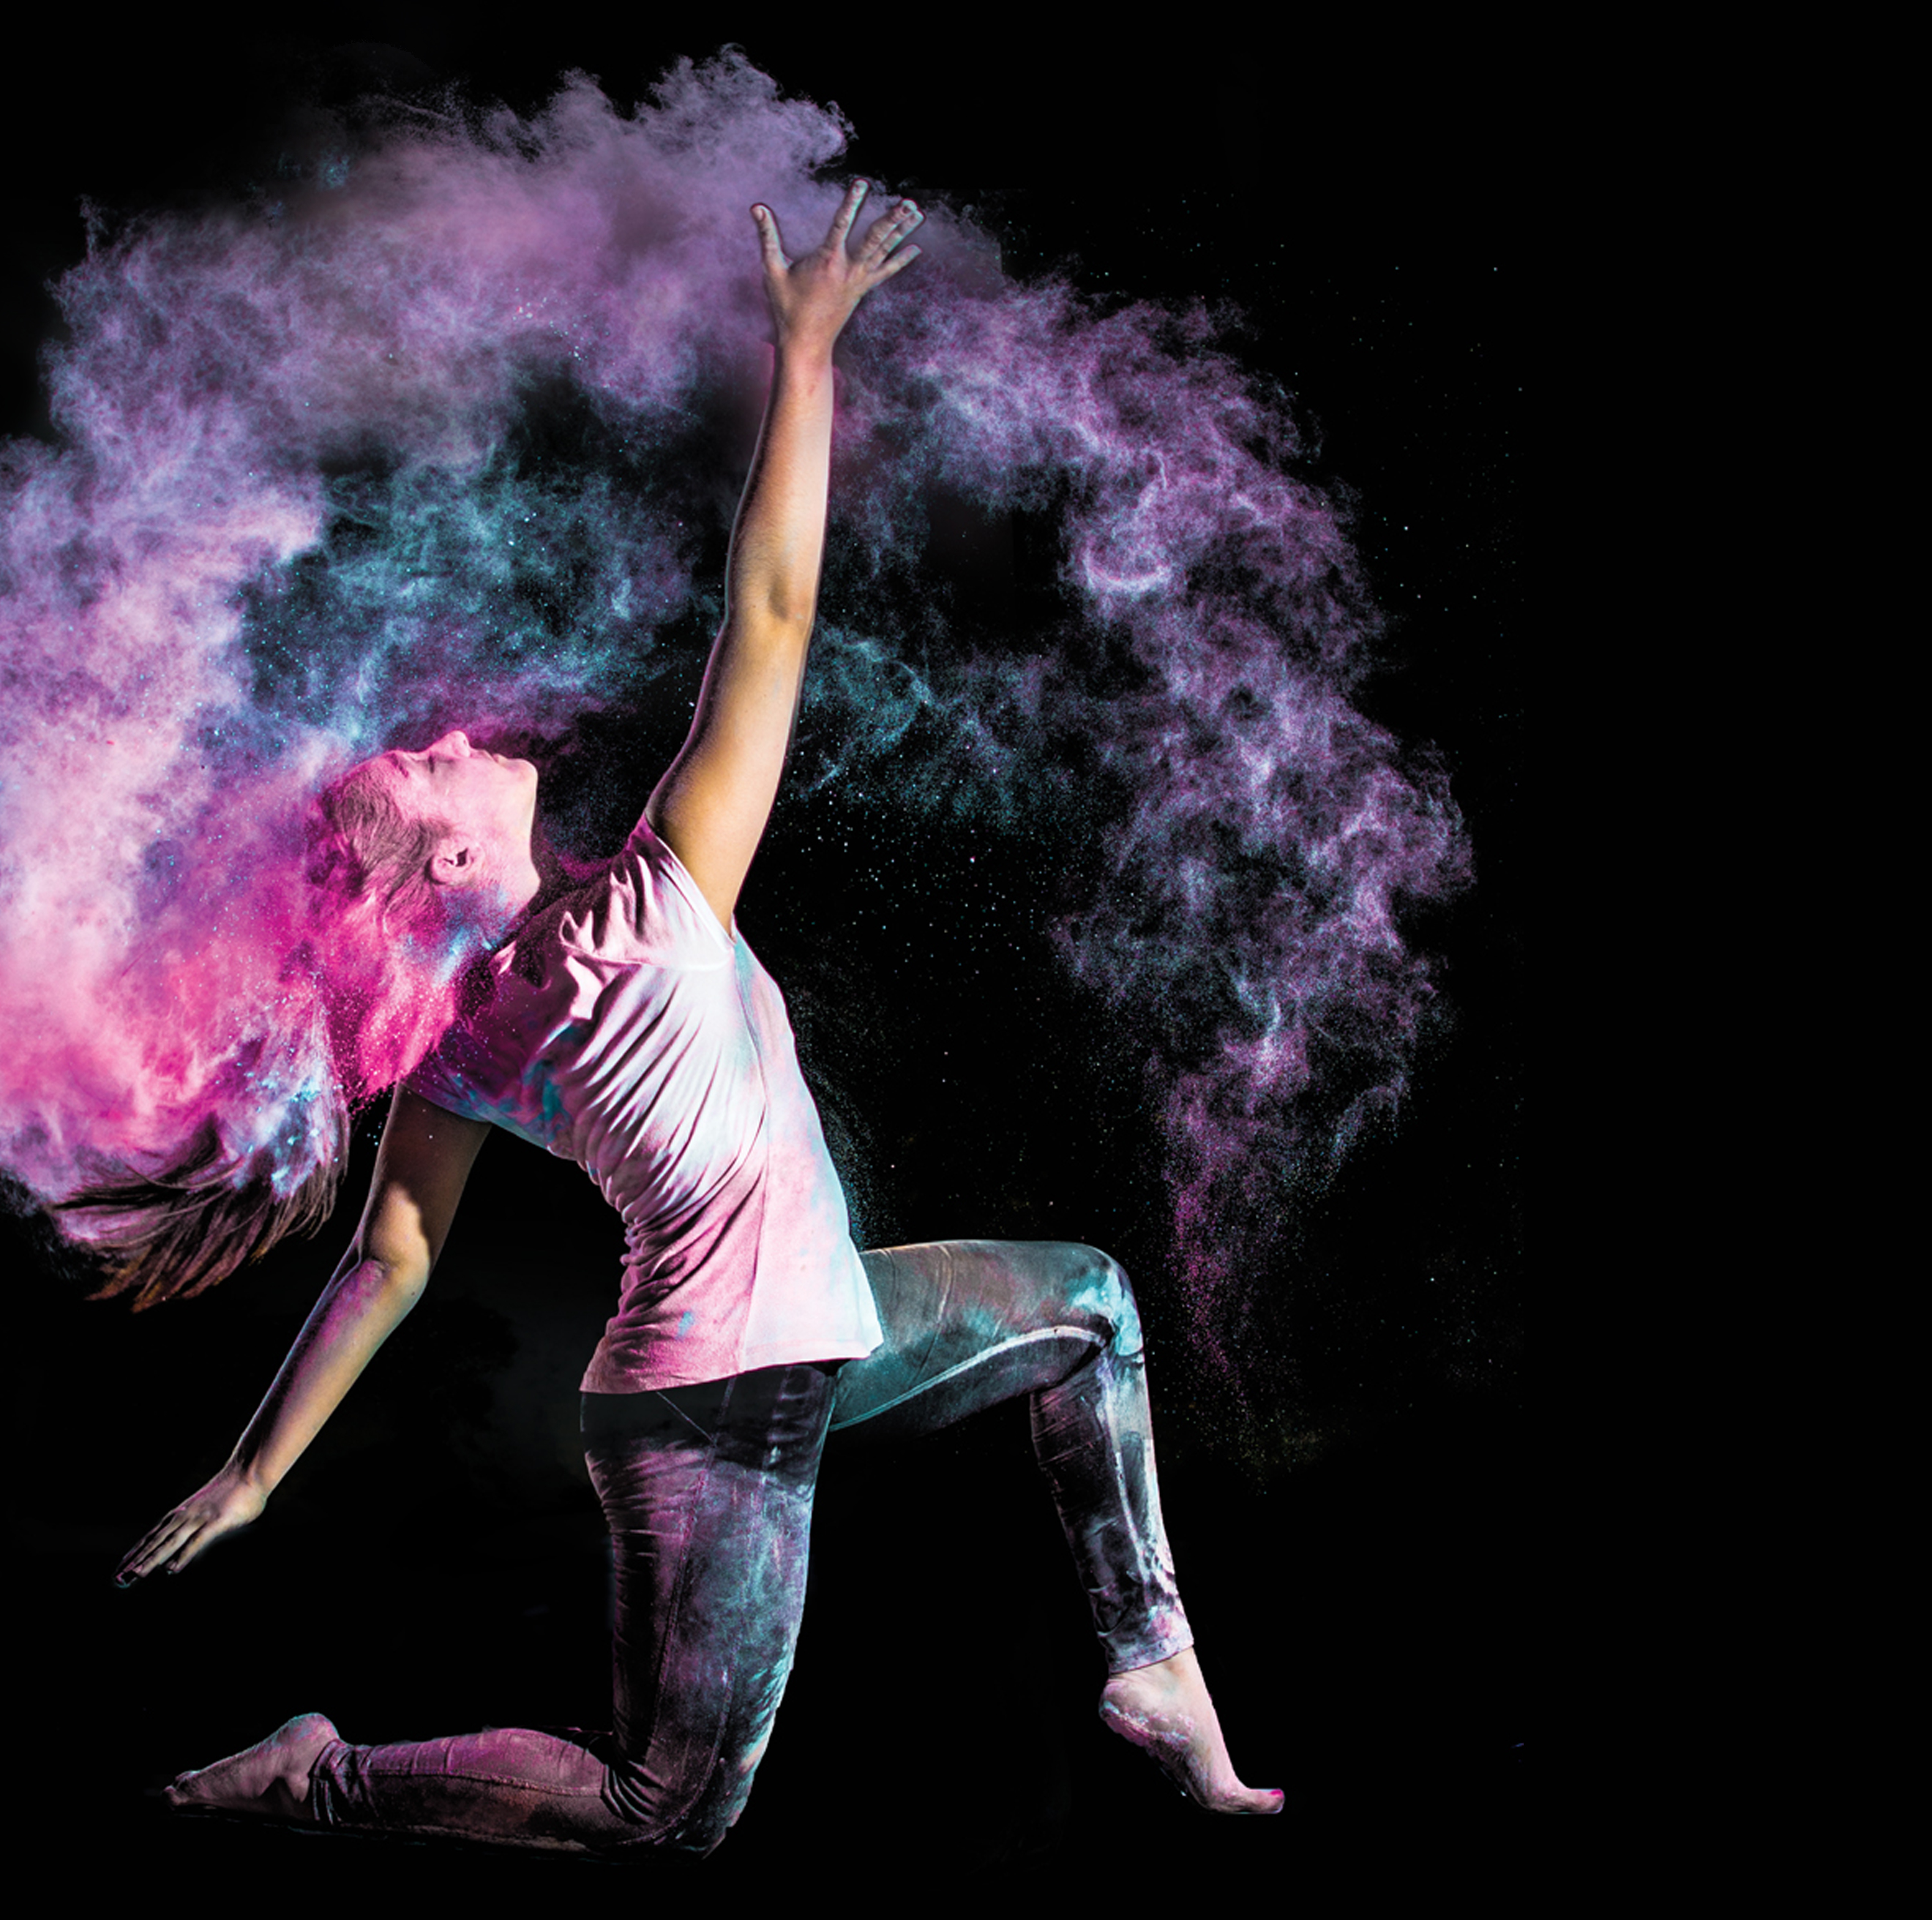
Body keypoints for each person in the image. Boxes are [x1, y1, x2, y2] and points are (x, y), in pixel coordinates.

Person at [108, 181, 1282, 1853]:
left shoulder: (445, 1036)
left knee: (1091, 1304)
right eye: (429, 759)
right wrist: (804, 353)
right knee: (668, 1810)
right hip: (713, 1400)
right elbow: (777, 613)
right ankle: (324, 1775)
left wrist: (253, 1472)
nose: (454, 733)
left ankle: (1154, 1662)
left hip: (805, 1334)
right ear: (452, 848)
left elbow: (393, 1258)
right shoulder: (655, 903)